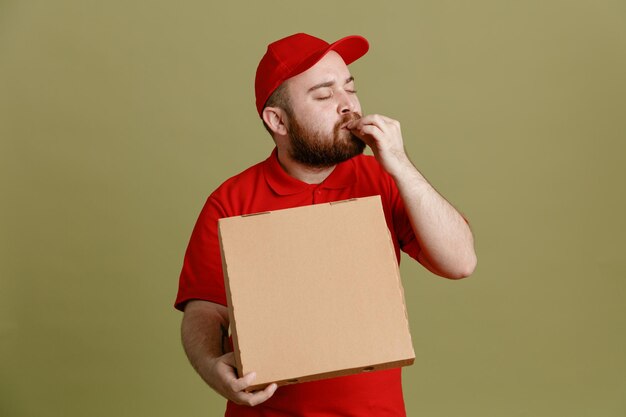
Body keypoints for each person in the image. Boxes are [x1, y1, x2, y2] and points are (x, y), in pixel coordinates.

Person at [175, 33, 477, 417]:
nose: (348, 106)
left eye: (350, 88)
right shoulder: (231, 200)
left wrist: (400, 164)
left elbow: (461, 262)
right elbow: (206, 310)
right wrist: (211, 368)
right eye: (323, 95)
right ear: (277, 120)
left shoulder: (383, 178)